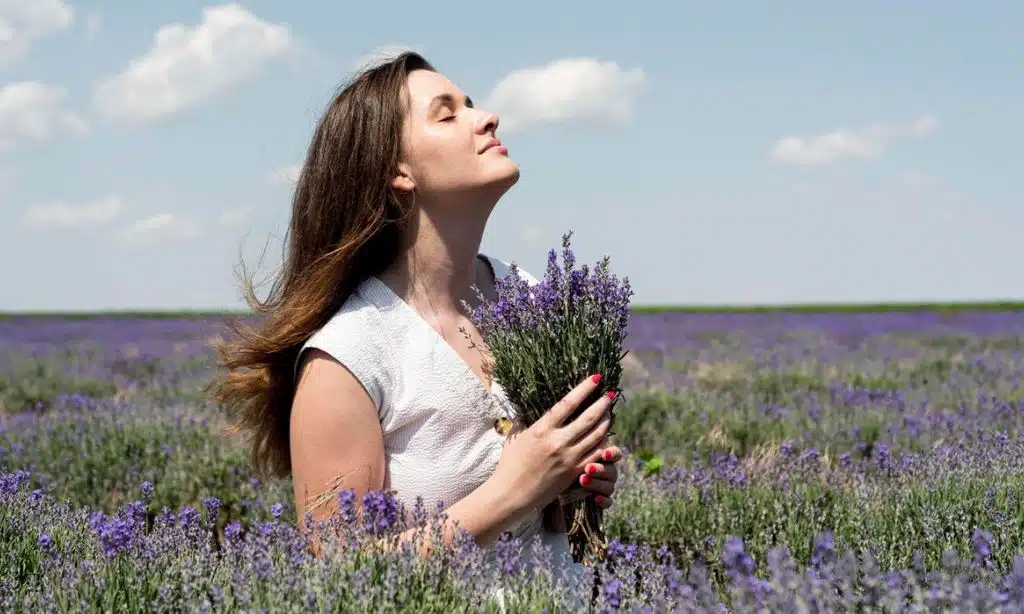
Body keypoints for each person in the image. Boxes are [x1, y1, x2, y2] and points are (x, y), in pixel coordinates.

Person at [212, 51, 622, 595]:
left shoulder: (535, 298)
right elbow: (340, 579)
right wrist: (514, 489)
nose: (486, 117)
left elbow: (560, 529)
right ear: (396, 171)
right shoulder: (349, 356)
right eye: (447, 114)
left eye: (471, 105)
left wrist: (574, 488)